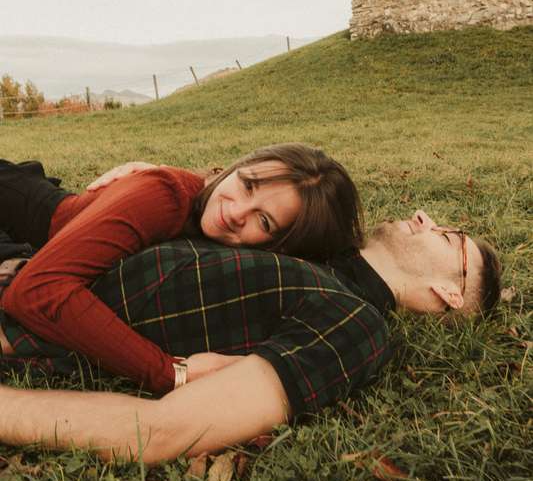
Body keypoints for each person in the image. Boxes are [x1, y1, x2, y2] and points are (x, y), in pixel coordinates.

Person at [0, 208, 501, 463]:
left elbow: (161, 432)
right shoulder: (319, 240)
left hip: (24, 317)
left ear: (449, 293)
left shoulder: (355, 324)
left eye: (447, 236)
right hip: (37, 248)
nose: (424, 218)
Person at [0, 147, 363, 393]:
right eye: (247, 184)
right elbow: (35, 291)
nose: (236, 212)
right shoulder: (164, 197)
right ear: (235, 168)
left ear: (283, 247)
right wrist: (168, 372)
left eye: (264, 221)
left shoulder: (212, 218)